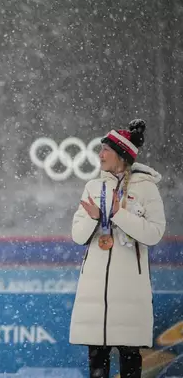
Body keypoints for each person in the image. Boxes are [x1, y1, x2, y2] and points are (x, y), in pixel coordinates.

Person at [70, 119, 166, 378]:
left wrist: (116, 214)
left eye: (105, 150)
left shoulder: (146, 189)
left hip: (129, 291)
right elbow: (77, 236)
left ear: (122, 155)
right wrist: (93, 217)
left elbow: (155, 233)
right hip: (95, 291)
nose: (100, 155)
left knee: (130, 358)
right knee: (97, 360)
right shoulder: (93, 187)